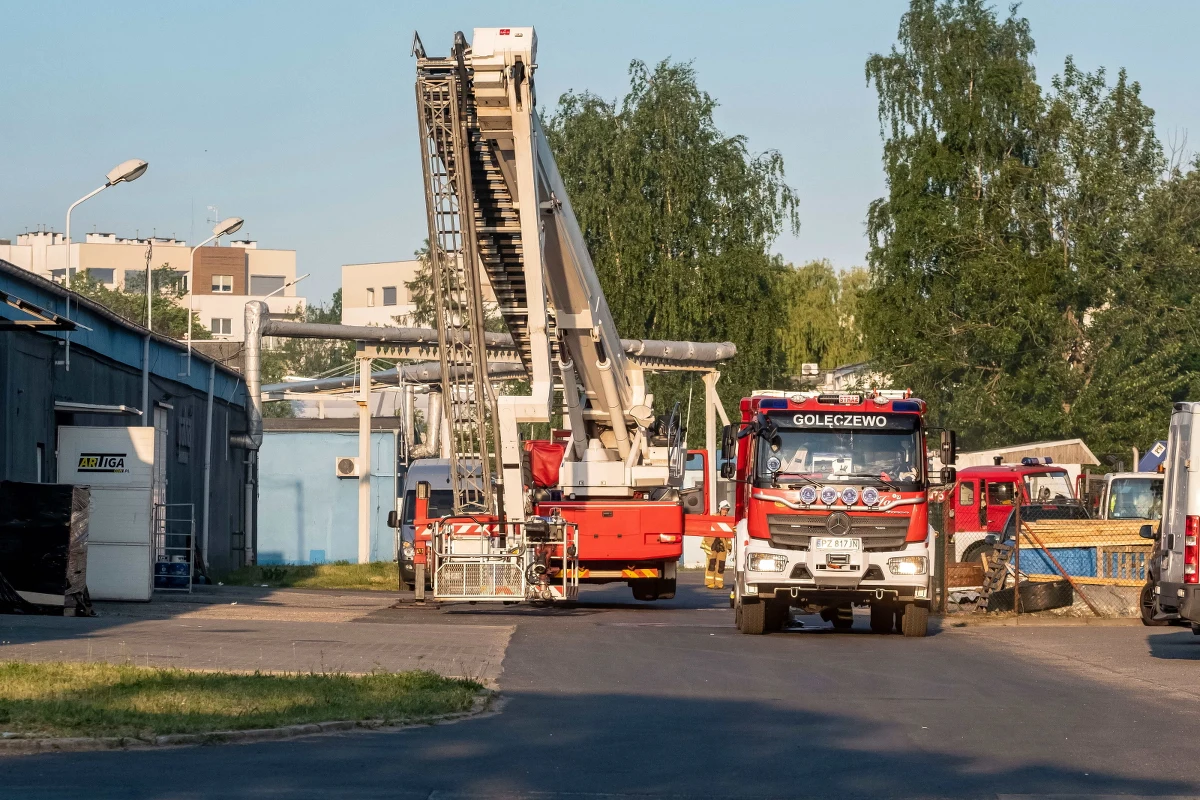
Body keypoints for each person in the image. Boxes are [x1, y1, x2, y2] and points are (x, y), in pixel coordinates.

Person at [701, 500, 732, 589]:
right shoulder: (713, 518)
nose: (725, 511)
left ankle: (719, 583)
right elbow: (707, 533)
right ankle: (710, 582)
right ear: (720, 509)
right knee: (711, 564)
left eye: (726, 510)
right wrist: (709, 544)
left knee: (721, 565)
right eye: (723, 509)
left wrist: (729, 547)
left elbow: (729, 536)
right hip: (713, 545)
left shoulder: (728, 520)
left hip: (723, 546)